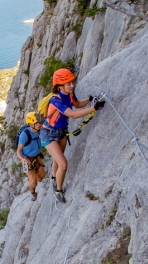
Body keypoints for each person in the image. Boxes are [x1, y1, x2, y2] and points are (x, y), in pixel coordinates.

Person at [40, 68, 103, 203]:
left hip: (61, 132)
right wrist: (94, 108)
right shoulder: (55, 101)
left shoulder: (69, 94)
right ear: (59, 86)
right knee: (63, 164)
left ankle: (53, 177)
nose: (72, 85)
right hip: (48, 134)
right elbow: (73, 115)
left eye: (72, 82)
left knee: (58, 160)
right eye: (68, 83)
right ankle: (58, 190)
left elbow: (77, 104)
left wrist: (90, 100)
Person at [17, 112, 46, 201]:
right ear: (30, 124)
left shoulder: (40, 130)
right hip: (27, 159)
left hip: (37, 156)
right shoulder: (25, 135)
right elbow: (18, 151)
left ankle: (35, 177)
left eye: (39, 122)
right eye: (36, 123)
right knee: (33, 181)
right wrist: (22, 159)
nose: (39, 124)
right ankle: (33, 193)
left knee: (41, 176)